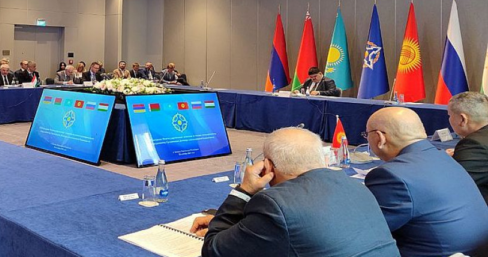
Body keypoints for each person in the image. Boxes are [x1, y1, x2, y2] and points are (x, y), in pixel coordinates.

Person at [190, 128, 398, 256]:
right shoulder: (357, 187)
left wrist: (244, 190)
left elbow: (213, 251)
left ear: (267, 166)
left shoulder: (274, 204)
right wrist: (238, 228)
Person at [364, 107, 488, 256]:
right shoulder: (442, 156)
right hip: (475, 249)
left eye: (366, 135)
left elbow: (367, 230)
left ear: (379, 138)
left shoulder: (391, 175)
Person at [447, 92, 488, 204]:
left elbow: (452, 184)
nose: (449, 119)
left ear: (462, 119)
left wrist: (445, 160)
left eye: (449, 115)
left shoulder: (474, 144)